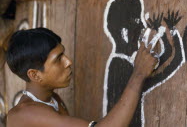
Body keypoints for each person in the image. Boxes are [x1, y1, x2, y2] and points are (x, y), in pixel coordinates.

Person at [6, 28, 157, 127]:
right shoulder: (26, 114)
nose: (68, 61)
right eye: (58, 59)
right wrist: (138, 74)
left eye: (63, 54)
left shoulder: (53, 100)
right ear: (35, 75)